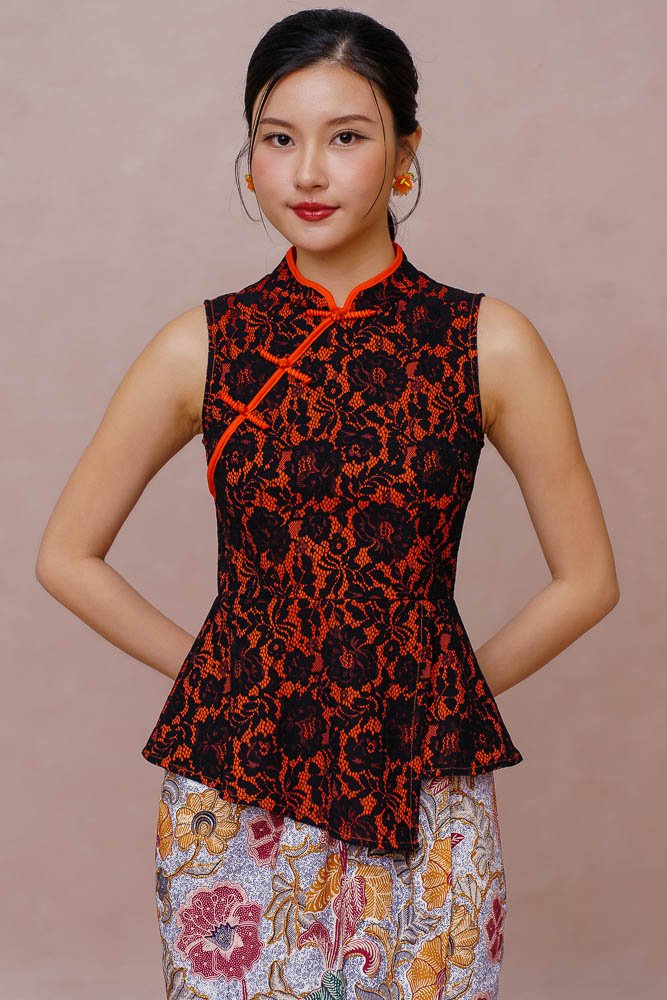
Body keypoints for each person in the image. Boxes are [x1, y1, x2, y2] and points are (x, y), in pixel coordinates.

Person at [35, 8, 620, 999]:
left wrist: (438, 692)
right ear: (250, 158)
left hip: (422, 783)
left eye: (346, 137)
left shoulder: (487, 341)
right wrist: (225, 674)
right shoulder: (201, 345)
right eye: (278, 139)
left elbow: (587, 580)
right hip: (234, 778)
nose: (307, 172)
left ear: (405, 154)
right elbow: (66, 556)